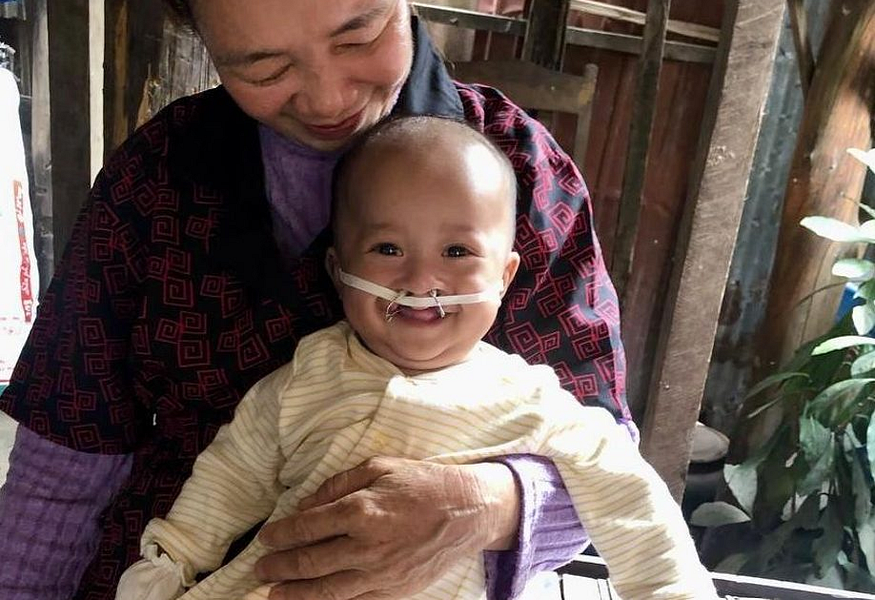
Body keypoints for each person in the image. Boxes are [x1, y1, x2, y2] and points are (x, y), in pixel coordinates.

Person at [0, 0, 631, 600]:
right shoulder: (156, 180)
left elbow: (608, 462)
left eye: (360, 36)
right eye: (263, 66)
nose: (329, 99)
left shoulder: (518, 172)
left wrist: (490, 502)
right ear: (198, 30)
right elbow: (64, 465)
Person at [116, 117, 716, 600]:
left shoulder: (533, 401)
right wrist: (175, 555)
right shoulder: (310, 372)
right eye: (387, 248)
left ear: (504, 277)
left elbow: (633, 504)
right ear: (338, 271)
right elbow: (235, 471)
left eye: (456, 251)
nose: (422, 280)